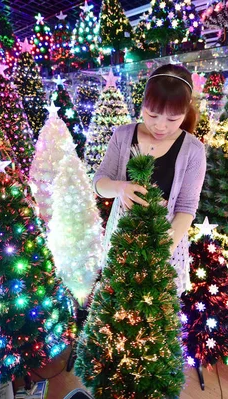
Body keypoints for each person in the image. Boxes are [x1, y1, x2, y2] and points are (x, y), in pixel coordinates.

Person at [93, 64, 207, 293]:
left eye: (173, 119)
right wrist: (120, 188)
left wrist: (159, 254)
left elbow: (186, 208)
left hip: (165, 248)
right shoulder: (123, 136)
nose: (160, 126)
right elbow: (99, 183)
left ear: (185, 112)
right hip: (121, 244)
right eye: (152, 114)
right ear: (143, 103)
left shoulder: (193, 150)